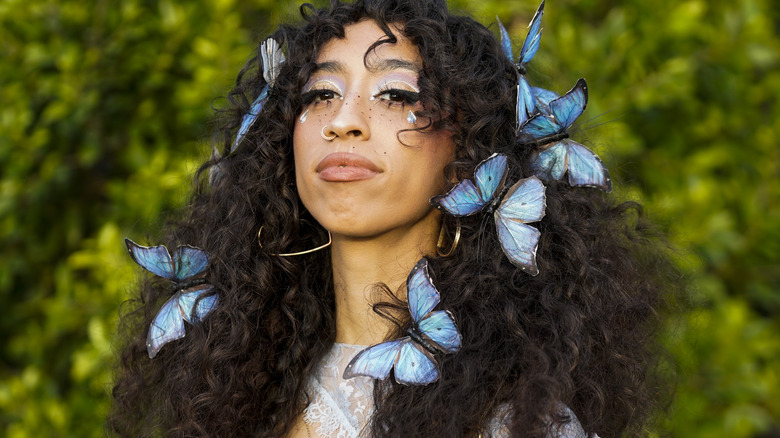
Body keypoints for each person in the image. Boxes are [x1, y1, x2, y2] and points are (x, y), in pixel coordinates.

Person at [109, 0, 675, 436]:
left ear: (470, 154)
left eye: (397, 94)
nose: (343, 121)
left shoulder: (513, 423)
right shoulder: (234, 395)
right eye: (320, 93)